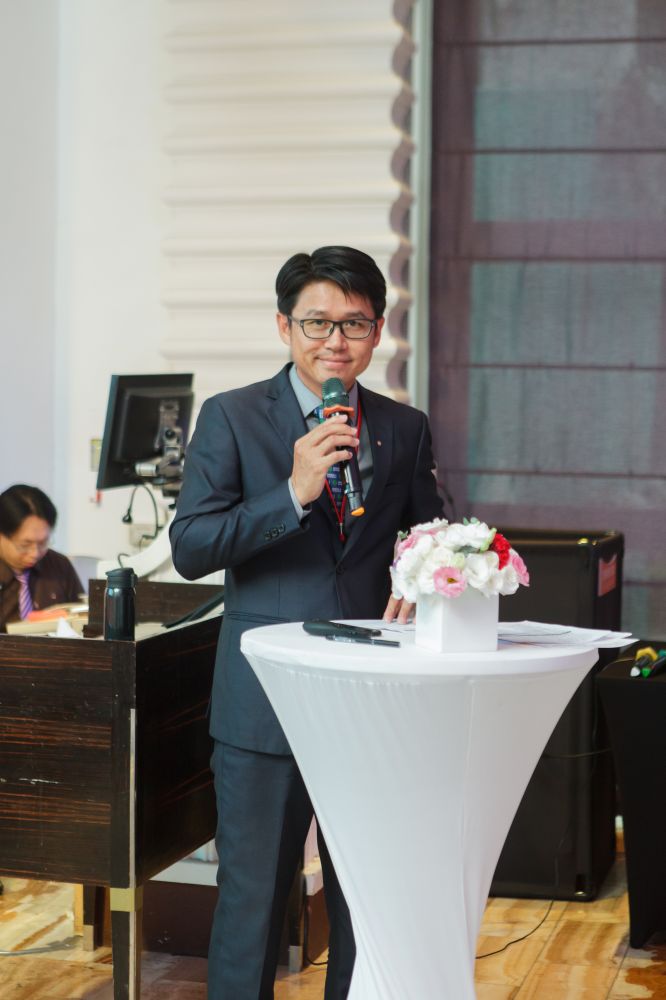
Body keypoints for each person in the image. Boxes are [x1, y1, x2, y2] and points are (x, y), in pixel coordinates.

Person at [170, 245, 444, 1000]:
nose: (335, 340)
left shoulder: (404, 426)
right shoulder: (231, 417)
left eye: (353, 323)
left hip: (371, 697)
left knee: (365, 899)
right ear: (284, 327)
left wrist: (420, 575)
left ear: (378, 330)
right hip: (264, 704)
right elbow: (191, 547)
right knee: (253, 900)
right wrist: (292, 492)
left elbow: (429, 533)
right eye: (317, 322)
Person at [0, 484, 83, 632]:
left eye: (43, 543)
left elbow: (81, 619)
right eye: (25, 545)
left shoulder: (59, 565)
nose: (35, 553)